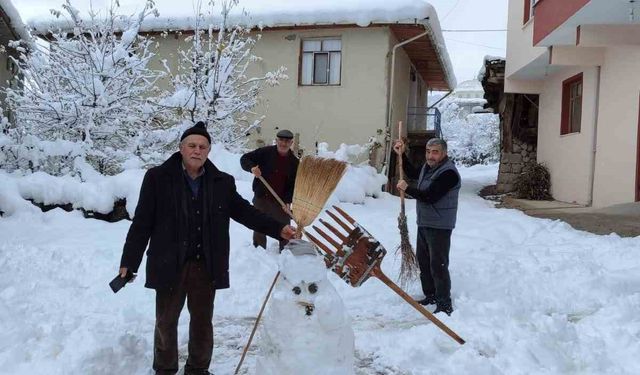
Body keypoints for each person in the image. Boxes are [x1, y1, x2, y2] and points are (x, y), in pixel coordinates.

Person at [117, 121, 296, 375]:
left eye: (203, 146)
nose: (197, 150)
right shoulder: (158, 178)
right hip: (169, 263)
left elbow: (245, 212)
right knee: (166, 322)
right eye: (192, 145)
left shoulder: (221, 182)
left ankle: (198, 369)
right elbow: (142, 223)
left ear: (209, 151)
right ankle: (165, 369)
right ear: (181, 148)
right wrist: (129, 261)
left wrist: (279, 228)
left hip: (205, 264)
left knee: (202, 322)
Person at [394, 137, 461, 316]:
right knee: (424, 262)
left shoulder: (449, 173)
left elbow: (431, 196)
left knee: (438, 264)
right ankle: (430, 295)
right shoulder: (428, 167)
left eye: (435, 152)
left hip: (440, 225)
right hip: (424, 222)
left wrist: (407, 189)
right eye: (428, 152)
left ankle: (444, 303)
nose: (430, 156)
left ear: (444, 153)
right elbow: (414, 173)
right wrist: (402, 155)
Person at [240, 129, 299, 250]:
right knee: (259, 224)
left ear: (291, 142)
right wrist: (252, 168)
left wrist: (288, 201)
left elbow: (293, 185)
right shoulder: (265, 152)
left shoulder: (294, 163)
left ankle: (286, 252)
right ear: (276, 140)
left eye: (287, 141)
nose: (283, 143)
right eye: (281, 140)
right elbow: (244, 159)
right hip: (261, 197)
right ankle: (259, 250)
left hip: (280, 201)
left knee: (285, 226)